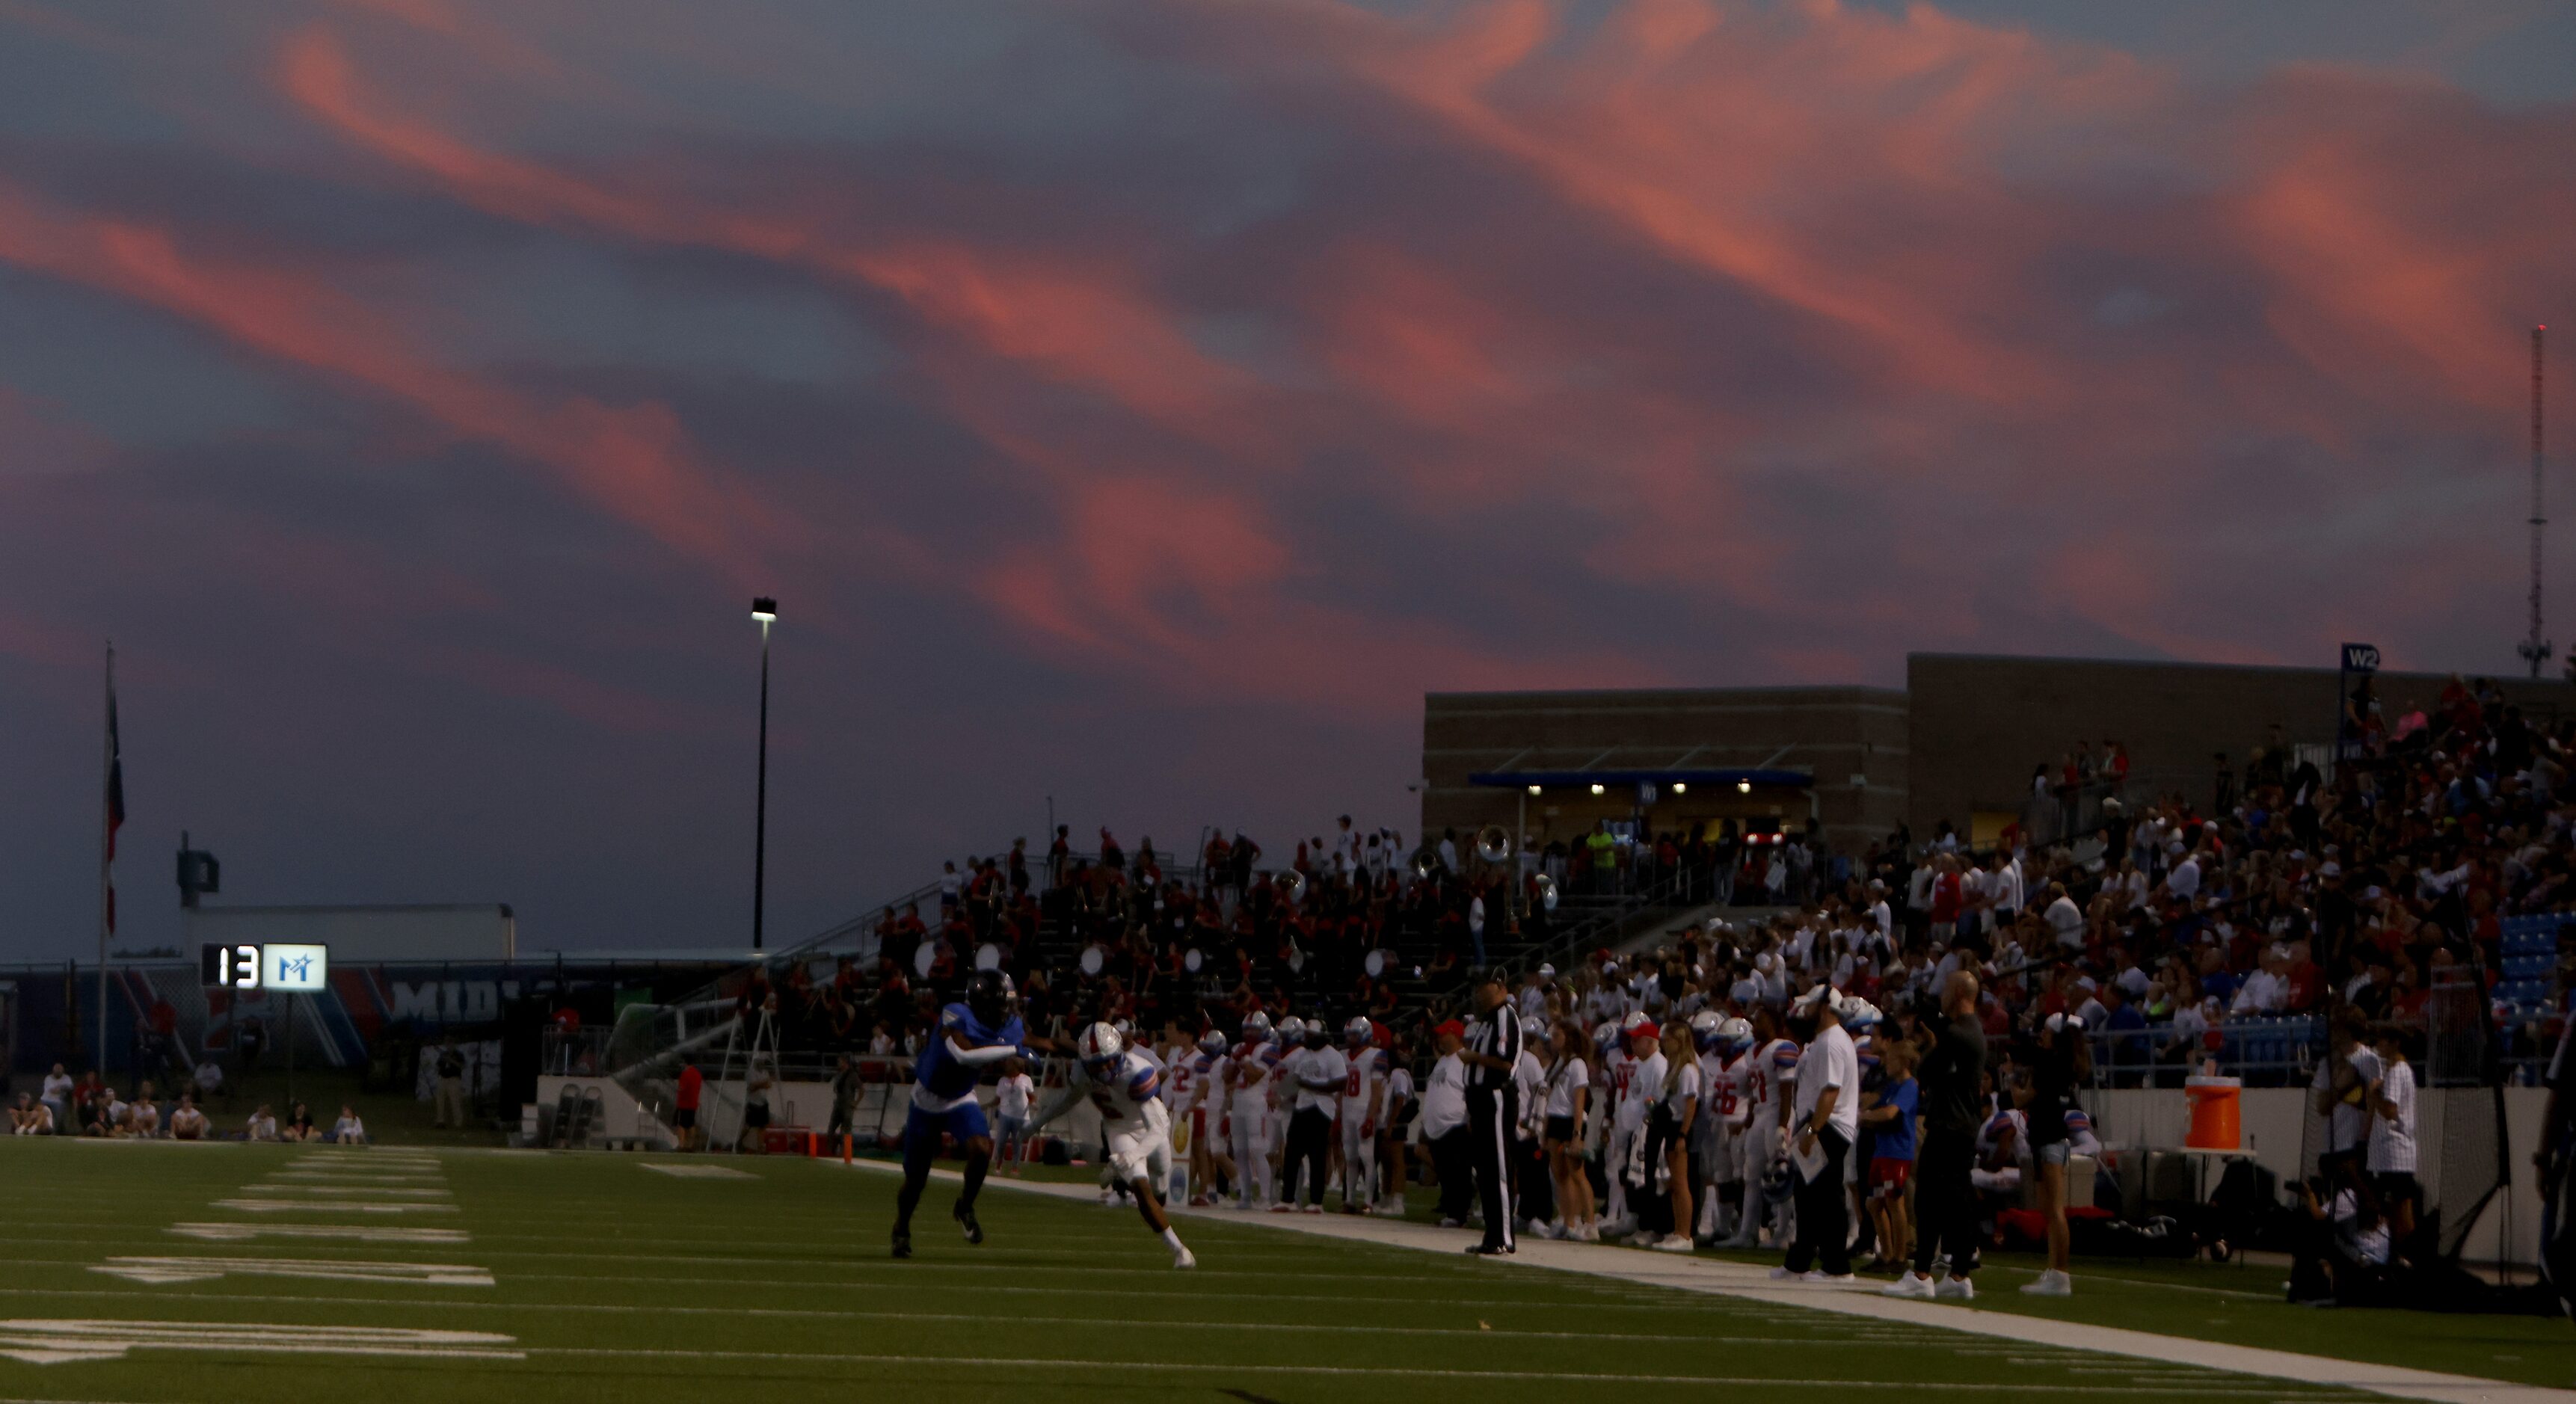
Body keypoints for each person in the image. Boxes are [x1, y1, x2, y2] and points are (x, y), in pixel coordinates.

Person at [891, 968, 1037, 1260]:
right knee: (916, 1180)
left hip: (960, 1098)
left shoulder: (1009, 1025)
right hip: (927, 1100)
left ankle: (965, 1206)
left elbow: (1033, 1042)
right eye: (1001, 1004)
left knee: (982, 1149)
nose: (1006, 1011)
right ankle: (902, 1227)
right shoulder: (955, 1014)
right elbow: (963, 1053)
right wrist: (1011, 1049)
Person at [1028, 1023, 1195, 1269]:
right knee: (1140, 1187)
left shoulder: (1137, 1070)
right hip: (1118, 1128)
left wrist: (1133, 1155)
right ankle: (1179, 1250)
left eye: (1107, 1061)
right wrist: (1037, 1123)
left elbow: (1157, 1130)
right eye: (1097, 1064)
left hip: (1150, 1128)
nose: (1104, 1068)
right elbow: (1068, 1100)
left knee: (1160, 1177)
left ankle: (1122, 1171)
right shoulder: (1083, 1071)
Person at [1890, 971, 1986, 1299]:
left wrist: (1927, 1046)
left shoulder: (1958, 1034)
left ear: (1958, 992)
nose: (1942, 994)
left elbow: (1925, 1071)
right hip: (1963, 1124)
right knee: (1958, 1200)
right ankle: (1959, 1275)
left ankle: (1921, 1273)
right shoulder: (1971, 1031)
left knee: (1929, 1198)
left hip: (1949, 1124)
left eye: (1946, 988)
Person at [1773, 985, 1856, 1282]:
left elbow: (1830, 1091)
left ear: (1822, 1008)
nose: (1804, 1012)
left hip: (1828, 1125)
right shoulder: (1824, 1041)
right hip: (1819, 1122)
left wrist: (1812, 1130)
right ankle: (1800, 1261)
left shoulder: (1831, 1043)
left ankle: (1837, 1265)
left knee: (1826, 1196)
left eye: (1809, 1007)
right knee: (1807, 1196)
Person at [2018, 1010, 2089, 1297]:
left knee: (2055, 1210)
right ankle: (2054, 1270)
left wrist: (2015, 1087)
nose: (2041, 1037)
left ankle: (2061, 1274)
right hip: (2045, 1138)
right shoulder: (2060, 1063)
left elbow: (2023, 1097)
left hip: (2049, 1139)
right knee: (2049, 1210)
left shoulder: (2050, 1063)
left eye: (2046, 1033)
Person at [1457, 974, 1526, 1255]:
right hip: (1481, 1100)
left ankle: (1503, 1236)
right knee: (1485, 1170)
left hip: (1496, 1095)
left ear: (1500, 988)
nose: (1481, 994)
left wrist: (1474, 1058)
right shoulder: (1488, 1018)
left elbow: (1505, 1060)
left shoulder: (1504, 1015)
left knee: (1498, 1168)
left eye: (1486, 988)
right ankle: (1492, 1234)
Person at [1863, 1038, 1919, 1273]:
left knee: (1895, 1201)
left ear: (1903, 1061)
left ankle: (1899, 1256)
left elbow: (1890, 1113)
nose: (1886, 1064)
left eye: (1891, 1059)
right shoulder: (1893, 1086)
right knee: (1875, 1203)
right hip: (1883, 1150)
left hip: (1896, 1152)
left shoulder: (1909, 1087)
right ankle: (1886, 1255)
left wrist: (1863, 1116)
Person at [1278, 1020, 1346, 1213]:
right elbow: (1296, 1081)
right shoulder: (1304, 1054)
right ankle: (1288, 1199)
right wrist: (1282, 1094)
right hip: (1302, 1105)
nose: (1306, 1038)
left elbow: (1340, 1083)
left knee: (1317, 1156)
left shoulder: (1333, 1056)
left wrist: (1310, 1086)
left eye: (1310, 1035)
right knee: (1291, 1154)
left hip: (1321, 1108)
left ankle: (1316, 1201)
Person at [2366, 1026, 2419, 1251]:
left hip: (2395, 1150)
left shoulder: (2397, 1071)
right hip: (2393, 1152)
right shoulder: (2398, 1070)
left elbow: (2389, 1111)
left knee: (2401, 1207)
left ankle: (2406, 1253)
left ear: (2394, 1043)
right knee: (2396, 1206)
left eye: (2383, 1041)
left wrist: (2374, 1092)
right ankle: (2399, 1252)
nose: (2379, 1045)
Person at [1541, 1020, 1595, 1240]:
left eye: (1556, 1036)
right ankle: (1568, 1220)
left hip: (1569, 1120)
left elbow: (1579, 1098)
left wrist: (1577, 1133)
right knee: (1560, 1174)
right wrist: (1544, 1131)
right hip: (1554, 1118)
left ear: (1568, 1038)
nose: (1552, 1041)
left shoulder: (1576, 1064)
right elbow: (1549, 1097)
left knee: (1577, 1173)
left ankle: (1590, 1222)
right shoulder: (1556, 1063)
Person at [1420, 1020, 1474, 1226]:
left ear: (1455, 1035)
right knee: (1445, 1171)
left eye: (1444, 1035)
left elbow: (1471, 1091)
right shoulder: (1443, 1060)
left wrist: (1471, 1118)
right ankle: (1452, 1210)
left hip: (1456, 1124)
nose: (1440, 1039)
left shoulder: (1464, 1060)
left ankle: (1459, 1213)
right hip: (1438, 1126)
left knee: (1457, 1171)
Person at [1223, 1014, 1277, 1210]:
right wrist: (1234, 1059)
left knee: (1257, 1149)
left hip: (1257, 1102)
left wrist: (1244, 1060)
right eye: (1247, 1029)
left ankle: (1264, 1196)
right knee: (1239, 1151)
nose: (1249, 1033)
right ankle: (1245, 1196)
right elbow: (1227, 1077)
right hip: (1238, 1102)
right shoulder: (1239, 1047)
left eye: (1253, 1029)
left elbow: (1255, 1076)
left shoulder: (1270, 1049)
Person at [1338, 1018, 1386, 1214]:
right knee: (1350, 1158)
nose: (1351, 1038)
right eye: (1349, 1034)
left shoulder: (1376, 1055)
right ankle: (1349, 1200)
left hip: (1363, 1109)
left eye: (1355, 1034)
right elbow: (1340, 1090)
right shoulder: (1342, 1056)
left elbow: (1376, 1091)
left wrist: (1370, 1117)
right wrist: (1337, 1115)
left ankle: (1368, 1202)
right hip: (1348, 1110)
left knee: (1367, 1157)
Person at [992, 1056, 1036, 1175]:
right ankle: (999, 1163)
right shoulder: (1002, 1080)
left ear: (1016, 1066)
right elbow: (997, 1098)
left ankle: (1015, 1167)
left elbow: (1031, 1096)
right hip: (1005, 1114)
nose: (1006, 1066)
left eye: (1009, 1064)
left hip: (1020, 1115)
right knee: (1001, 1141)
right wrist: (986, 1105)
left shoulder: (1025, 1079)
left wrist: (1032, 1104)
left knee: (1017, 1142)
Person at [434, 1039, 469, 1129]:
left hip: (454, 1079)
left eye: (451, 1044)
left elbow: (463, 1066)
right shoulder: (443, 1054)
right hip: (443, 1079)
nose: (449, 1046)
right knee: (440, 1101)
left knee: (455, 1101)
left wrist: (452, 1061)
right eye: (447, 1044)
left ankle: (458, 1122)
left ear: (454, 1045)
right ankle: (440, 1121)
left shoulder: (459, 1055)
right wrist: (439, 1067)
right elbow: (437, 1067)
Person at [673, 1062, 704, 1152]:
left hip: (684, 1103)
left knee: (681, 1124)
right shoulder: (698, 1074)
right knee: (691, 1124)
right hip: (693, 1103)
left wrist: (678, 1089)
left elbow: (681, 1088)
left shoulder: (685, 1074)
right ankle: (691, 1145)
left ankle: (681, 1145)